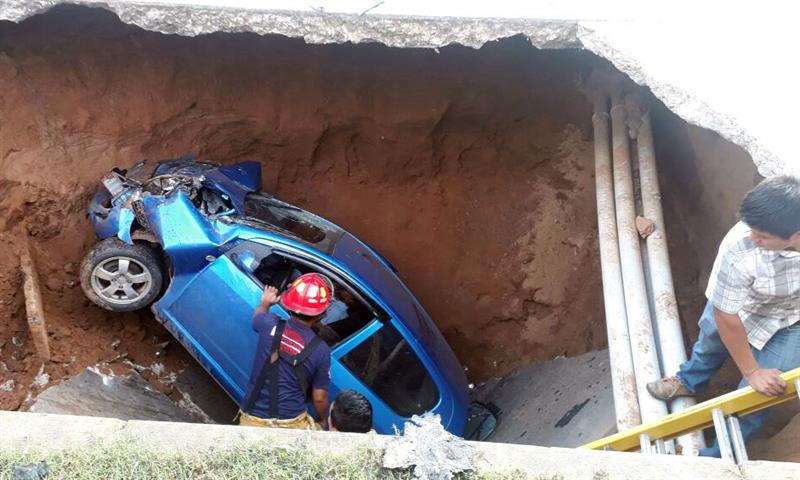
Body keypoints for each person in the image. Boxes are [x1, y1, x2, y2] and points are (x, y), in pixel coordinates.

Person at [647, 175, 800, 457]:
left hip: (793, 323)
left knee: (759, 396)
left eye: (762, 236)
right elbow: (725, 315)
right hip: (740, 306)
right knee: (710, 340)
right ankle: (689, 381)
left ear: (796, 235)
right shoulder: (740, 246)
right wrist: (752, 370)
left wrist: (756, 380)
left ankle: (714, 459)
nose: (752, 237)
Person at [238, 273, 333, 430]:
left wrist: (265, 303)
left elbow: (257, 318)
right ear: (321, 315)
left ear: (289, 304)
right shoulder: (321, 351)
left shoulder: (268, 323)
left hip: (253, 418)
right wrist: (323, 420)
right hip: (292, 423)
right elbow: (319, 397)